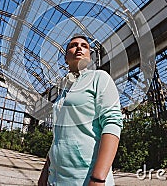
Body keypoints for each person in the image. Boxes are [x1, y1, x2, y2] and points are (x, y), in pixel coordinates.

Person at [38, 35, 123, 186]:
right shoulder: (63, 90)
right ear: (65, 58)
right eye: (73, 45)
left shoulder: (99, 78)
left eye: (84, 46)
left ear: (89, 57)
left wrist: (98, 178)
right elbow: (58, 138)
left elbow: (112, 123)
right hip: (55, 179)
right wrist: (45, 173)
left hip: (85, 178)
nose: (79, 47)